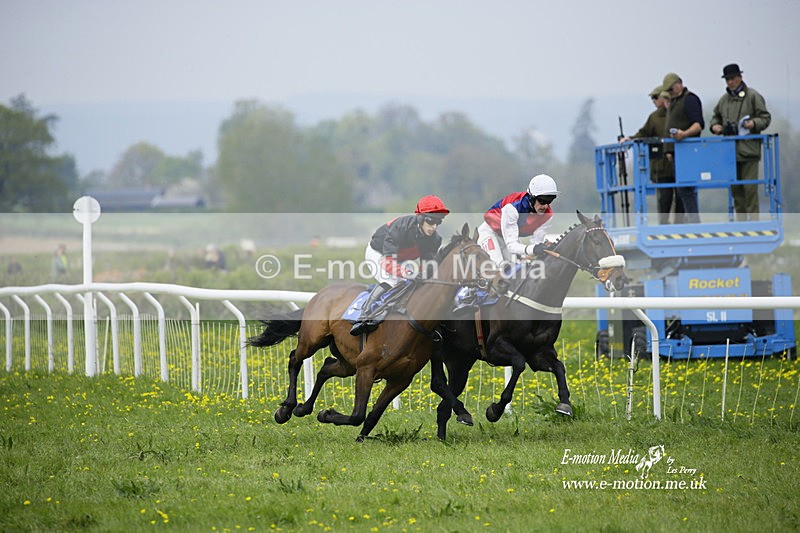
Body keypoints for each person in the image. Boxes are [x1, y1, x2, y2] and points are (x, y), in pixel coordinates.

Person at [350, 195, 450, 336]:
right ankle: (364, 315)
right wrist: (408, 273)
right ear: (421, 218)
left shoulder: (434, 240)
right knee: (392, 280)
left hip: (401, 258)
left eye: (438, 222)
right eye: (431, 221)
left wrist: (422, 275)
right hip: (379, 253)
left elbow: (427, 266)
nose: (434, 227)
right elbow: (388, 262)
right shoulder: (401, 227)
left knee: (416, 284)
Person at [709, 63, 771, 221]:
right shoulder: (724, 100)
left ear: (740, 77)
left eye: (732, 78)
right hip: (730, 152)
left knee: (750, 190)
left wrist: (753, 123)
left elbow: (765, 118)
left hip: (749, 151)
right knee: (736, 191)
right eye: (727, 79)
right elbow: (715, 116)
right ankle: (741, 224)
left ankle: (754, 223)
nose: (730, 82)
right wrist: (714, 126)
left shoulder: (753, 96)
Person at [621, 87, 682, 224]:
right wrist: (630, 139)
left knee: (681, 197)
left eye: (655, 97)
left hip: (679, 165)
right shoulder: (654, 118)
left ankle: (680, 226)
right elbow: (643, 133)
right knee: (664, 199)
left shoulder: (677, 115)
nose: (653, 101)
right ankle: (664, 227)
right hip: (661, 168)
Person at [477, 174, 557, 266]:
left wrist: (543, 249)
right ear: (532, 197)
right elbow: (512, 246)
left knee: (520, 267)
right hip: (489, 233)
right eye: (542, 201)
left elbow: (536, 244)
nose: (545, 206)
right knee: (499, 266)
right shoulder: (512, 208)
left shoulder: (548, 215)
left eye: (549, 201)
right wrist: (532, 249)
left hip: (508, 238)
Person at [662, 72, 703, 224]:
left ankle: (693, 220)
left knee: (686, 189)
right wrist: (669, 150)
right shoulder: (675, 101)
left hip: (687, 151)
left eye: (671, 89)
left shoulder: (690, 99)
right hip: (677, 152)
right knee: (682, 189)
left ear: (679, 84)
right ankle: (690, 219)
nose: (670, 93)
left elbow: (698, 124)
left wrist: (684, 134)